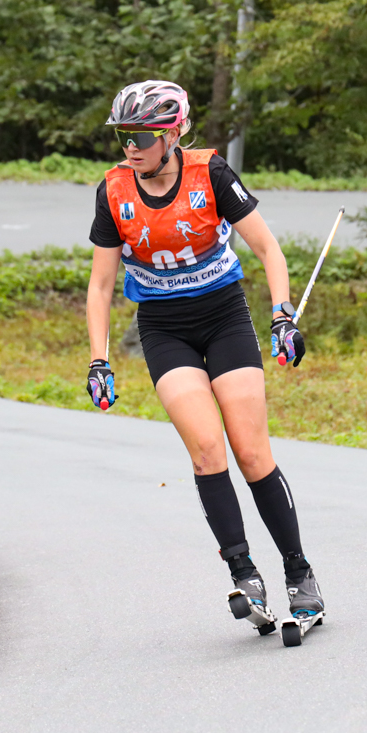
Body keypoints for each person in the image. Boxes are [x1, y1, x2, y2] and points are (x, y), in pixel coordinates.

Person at [84, 79, 324, 632]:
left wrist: (282, 314)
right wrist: (99, 360)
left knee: (251, 453)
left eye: (143, 134)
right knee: (206, 451)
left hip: (224, 319)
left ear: (174, 133)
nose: (131, 146)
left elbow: (267, 248)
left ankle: (299, 572)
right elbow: (99, 287)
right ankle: (244, 573)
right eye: (124, 135)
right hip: (165, 330)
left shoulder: (210, 173)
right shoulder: (113, 190)